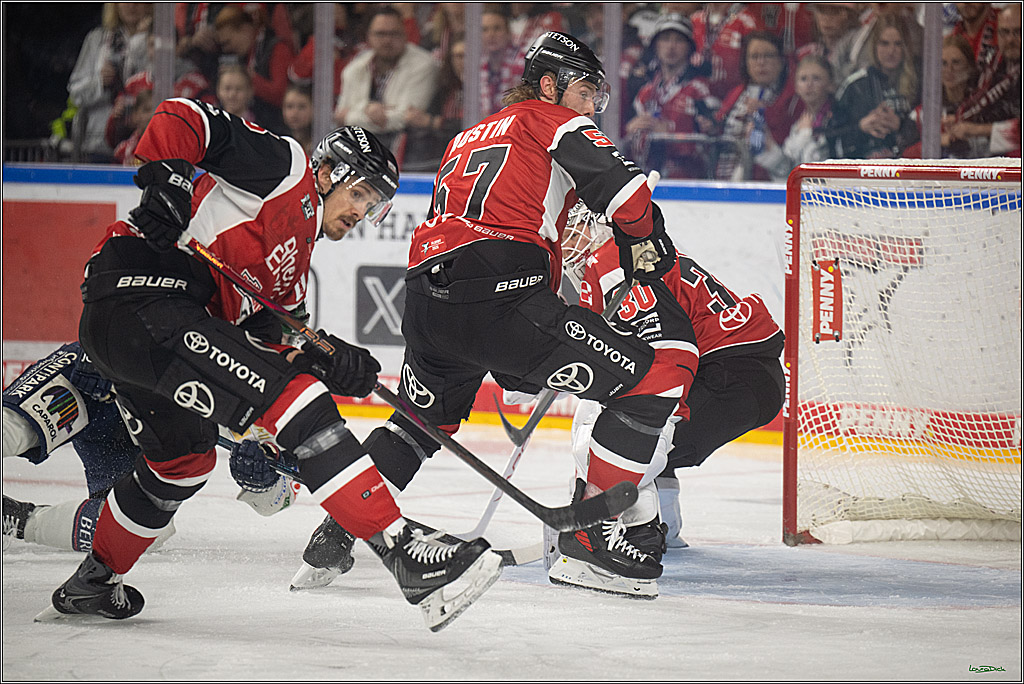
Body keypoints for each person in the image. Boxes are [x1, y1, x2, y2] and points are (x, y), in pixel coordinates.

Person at [40, 100, 502, 633]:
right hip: (143, 297)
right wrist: (167, 181)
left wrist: (330, 361)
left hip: (144, 337)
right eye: (360, 193)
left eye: (374, 205)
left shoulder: (292, 275)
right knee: (299, 399)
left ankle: (94, 580)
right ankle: (404, 553)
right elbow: (184, 116)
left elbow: (263, 350)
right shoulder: (286, 167)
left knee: (184, 462)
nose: (362, 212)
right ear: (327, 173)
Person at [292, 31, 684, 599]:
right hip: (502, 295)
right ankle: (588, 542)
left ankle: (336, 535)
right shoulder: (553, 121)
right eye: (584, 91)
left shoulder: (467, 136)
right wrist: (648, 238)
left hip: (428, 297)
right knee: (655, 378)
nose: (590, 107)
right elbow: (626, 196)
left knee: (418, 425)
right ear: (548, 85)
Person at [558, 202, 784, 557]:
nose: (565, 242)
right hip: (746, 374)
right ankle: (665, 528)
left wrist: (657, 414)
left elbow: (664, 350)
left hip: (728, 374)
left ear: (595, 225)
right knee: (638, 431)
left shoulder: (612, 261)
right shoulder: (631, 251)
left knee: (622, 435)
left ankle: (635, 534)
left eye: (572, 231)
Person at [2, 342, 289, 552]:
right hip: (99, 376)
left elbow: (279, 498)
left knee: (144, 530)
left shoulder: (285, 390)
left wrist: (261, 482)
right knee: (11, 430)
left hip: (143, 444)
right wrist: (100, 345)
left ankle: (15, 519)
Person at [333, 6, 438, 152]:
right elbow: (340, 117)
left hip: (408, 150)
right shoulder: (355, 68)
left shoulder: (423, 65)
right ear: (368, 36)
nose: (387, 40)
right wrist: (369, 109)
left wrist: (352, 115)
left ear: (405, 34)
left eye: (394, 33)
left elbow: (407, 118)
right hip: (359, 149)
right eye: (380, 34)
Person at [626, 13, 717, 179]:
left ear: (690, 47)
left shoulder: (701, 90)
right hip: (645, 180)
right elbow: (627, 146)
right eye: (665, 39)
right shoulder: (645, 93)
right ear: (655, 45)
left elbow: (712, 145)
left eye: (679, 40)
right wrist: (630, 131)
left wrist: (669, 134)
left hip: (689, 184)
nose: (671, 46)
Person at [704, 31, 800, 181]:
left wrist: (765, 114)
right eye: (754, 56)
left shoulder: (793, 98)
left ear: (782, 61)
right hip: (724, 178)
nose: (761, 62)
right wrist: (711, 126)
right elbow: (720, 131)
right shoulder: (736, 93)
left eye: (768, 56)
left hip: (768, 181)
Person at [67, 2, 152, 161]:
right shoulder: (97, 39)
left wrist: (141, 40)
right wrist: (100, 82)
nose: (131, 6)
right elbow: (75, 93)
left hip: (144, 144)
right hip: (98, 143)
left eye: (139, 1)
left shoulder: (158, 41)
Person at [831, 11, 920, 160]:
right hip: (861, 167)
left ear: (906, 46)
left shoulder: (920, 83)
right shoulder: (854, 86)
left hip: (906, 167)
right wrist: (861, 127)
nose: (891, 51)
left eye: (898, 44)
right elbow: (832, 136)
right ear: (874, 45)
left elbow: (931, 136)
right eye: (884, 43)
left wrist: (901, 125)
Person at [944, 4, 1021, 158]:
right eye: (1004, 32)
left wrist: (976, 130)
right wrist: (960, 119)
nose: (1010, 39)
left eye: (1018, 32)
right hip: (987, 151)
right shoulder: (994, 64)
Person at [754, 55, 836, 181]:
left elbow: (816, 172)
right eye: (803, 79)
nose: (809, 85)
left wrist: (805, 134)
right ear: (796, 87)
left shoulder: (836, 119)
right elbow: (788, 170)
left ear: (830, 84)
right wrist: (769, 147)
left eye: (816, 78)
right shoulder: (799, 123)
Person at [214, 4, 294, 134]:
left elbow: (281, 95)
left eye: (227, 42)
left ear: (245, 30)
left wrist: (248, 77)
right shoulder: (249, 53)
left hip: (274, 128)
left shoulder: (277, 48)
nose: (227, 49)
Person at [281, 84, 314, 155]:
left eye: (302, 107)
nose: (295, 113)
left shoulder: (321, 144)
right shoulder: (279, 143)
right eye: (289, 106)